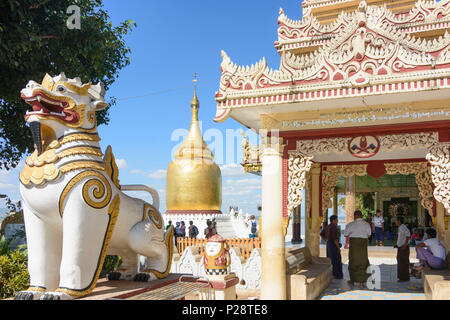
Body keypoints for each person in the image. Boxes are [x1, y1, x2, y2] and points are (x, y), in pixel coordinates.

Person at [344, 210, 372, 288]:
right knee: (363, 261)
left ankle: (352, 280)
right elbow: (369, 235)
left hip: (354, 245)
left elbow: (346, 234)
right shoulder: (366, 224)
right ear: (361, 216)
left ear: (355, 216)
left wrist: (346, 244)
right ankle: (361, 283)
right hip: (363, 244)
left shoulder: (350, 224)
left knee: (353, 261)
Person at [320, 215, 343, 279]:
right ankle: (337, 275)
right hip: (333, 245)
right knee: (336, 259)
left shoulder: (328, 226)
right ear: (333, 220)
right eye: (336, 219)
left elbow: (321, 234)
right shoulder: (333, 227)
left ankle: (332, 274)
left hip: (329, 244)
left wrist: (326, 241)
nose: (337, 221)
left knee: (331, 259)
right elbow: (335, 239)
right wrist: (338, 248)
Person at [395, 216, 411, 282]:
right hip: (401, 247)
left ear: (399, 221)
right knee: (401, 261)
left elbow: (408, 236)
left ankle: (403, 277)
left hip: (403, 247)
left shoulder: (403, 227)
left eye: (396, 220)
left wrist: (405, 245)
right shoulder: (401, 227)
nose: (395, 222)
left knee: (403, 262)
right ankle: (403, 277)